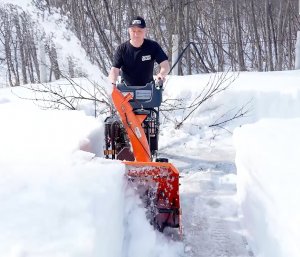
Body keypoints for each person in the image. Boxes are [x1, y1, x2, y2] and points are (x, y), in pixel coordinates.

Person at [108, 16, 170, 87]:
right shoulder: (122, 49)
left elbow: (165, 65)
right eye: (133, 31)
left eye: (139, 31)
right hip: (126, 90)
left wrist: (161, 74)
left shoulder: (153, 46)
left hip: (148, 89)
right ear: (129, 31)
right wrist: (112, 83)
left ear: (145, 31)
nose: (136, 34)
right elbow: (114, 70)